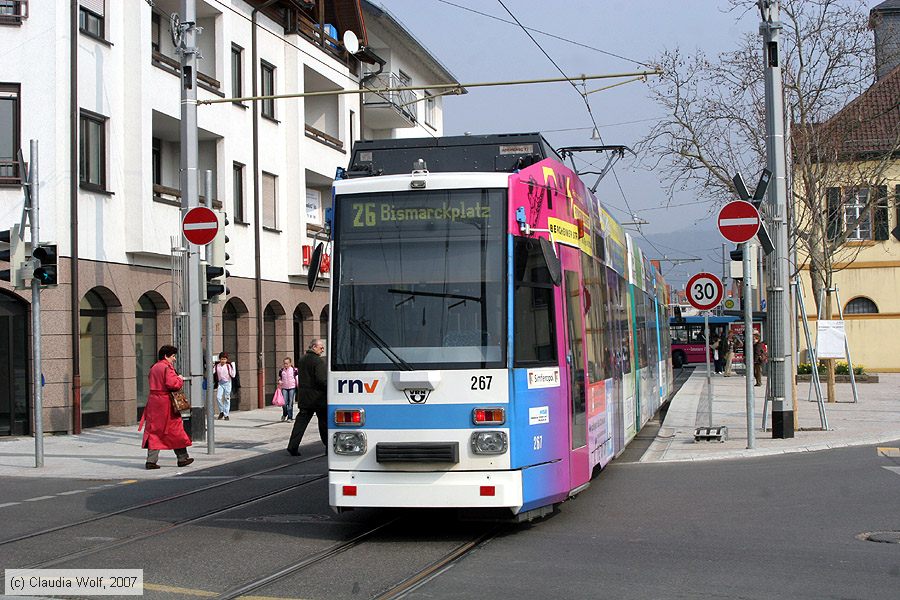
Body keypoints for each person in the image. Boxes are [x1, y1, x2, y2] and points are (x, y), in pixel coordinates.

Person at [139, 345, 193, 470]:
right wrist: (179, 379)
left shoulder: (154, 368)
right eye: (173, 356)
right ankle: (182, 458)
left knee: (154, 431)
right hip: (166, 403)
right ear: (166, 356)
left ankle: (151, 461)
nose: (174, 359)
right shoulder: (166, 368)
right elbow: (172, 384)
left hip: (154, 402)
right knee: (175, 430)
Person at [286, 339, 328, 456]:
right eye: (321, 347)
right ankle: (328, 447)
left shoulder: (302, 359)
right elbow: (321, 380)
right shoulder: (318, 361)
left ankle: (292, 446)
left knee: (300, 423)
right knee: (324, 423)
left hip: (304, 397)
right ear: (314, 347)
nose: (322, 349)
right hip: (318, 398)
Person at [214, 352, 236, 421]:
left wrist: (233, 366)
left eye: (224, 359)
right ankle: (222, 411)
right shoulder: (217, 366)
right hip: (220, 383)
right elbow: (212, 372)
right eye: (222, 359)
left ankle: (226, 414)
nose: (223, 360)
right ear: (220, 359)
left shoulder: (228, 366)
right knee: (218, 397)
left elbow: (233, 375)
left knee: (227, 399)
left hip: (227, 383)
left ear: (226, 360)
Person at [278, 357, 299, 422]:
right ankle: (285, 413)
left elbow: (297, 378)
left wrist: (298, 386)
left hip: (292, 387)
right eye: (284, 363)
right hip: (284, 388)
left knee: (290, 403)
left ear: (290, 363)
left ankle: (290, 417)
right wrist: (279, 381)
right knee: (284, 403)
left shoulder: (294, 370)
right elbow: (280, 378)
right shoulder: (282, 370)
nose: (285, 365)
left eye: (287, 363)